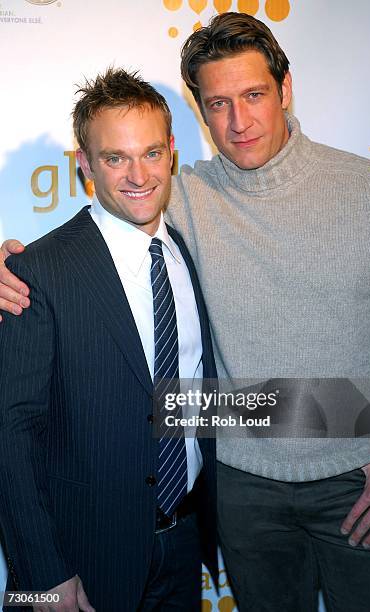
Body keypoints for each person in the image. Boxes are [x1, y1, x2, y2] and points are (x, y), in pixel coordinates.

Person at [1, 11, 370, 612]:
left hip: (363, 479)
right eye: (217, 104)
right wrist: (10, 262)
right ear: (198, 111)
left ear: (286, 89)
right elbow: (99, 225)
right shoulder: (179, 192)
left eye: (254, 95)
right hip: (237, 487)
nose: (238, 122)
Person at [0, 68, 218, 612]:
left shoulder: (187, 255)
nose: (138, 174)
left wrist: (359, 426)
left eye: (149, 153)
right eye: (115, 158)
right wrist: (42, 574)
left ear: (170, 152)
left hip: (185, 543)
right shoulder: (38, 270)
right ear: (85, 165)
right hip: (80, 559)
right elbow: (10, 429)